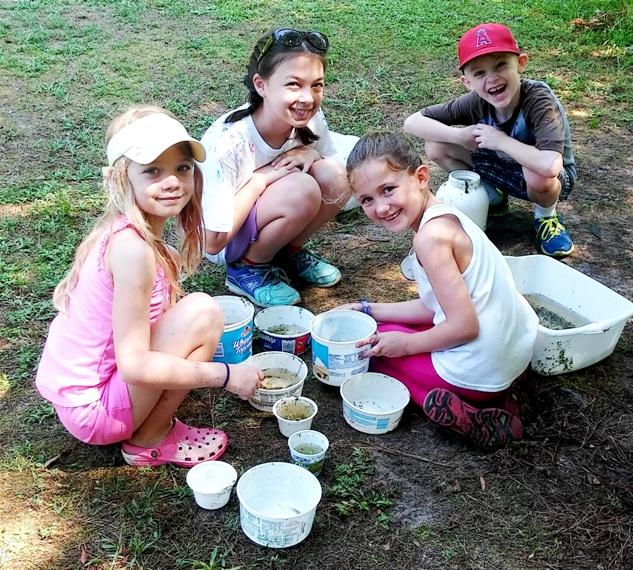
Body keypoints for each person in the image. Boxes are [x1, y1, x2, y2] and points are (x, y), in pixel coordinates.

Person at [35, 106, 263, 468]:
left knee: (195, 312)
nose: (172, 181)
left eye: (182, 168)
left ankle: (144, 417)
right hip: (94, 412)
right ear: (121, 179)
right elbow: (135, 366)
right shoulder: (132, 252)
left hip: (84, 397)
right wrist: (226, 375)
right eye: (153, 171)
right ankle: (149, 440)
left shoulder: (133, 237)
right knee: (203, 313)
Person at [342, 132, 538, 448]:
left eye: (388, 190)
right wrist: (365, 308)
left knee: (368, 349)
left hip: (481, 372)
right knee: (377, 329)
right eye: (367, 199)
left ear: (420, 177)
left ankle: (478, 415)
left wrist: (404, 345)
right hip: (514, 353)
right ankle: (511, 393)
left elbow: (463, 326)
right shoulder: (445, 214)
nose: (380, 207)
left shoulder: (430, 239)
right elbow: (434, 306)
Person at [200, 28, 351, 307]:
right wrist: (261, 179)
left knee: (336, 176)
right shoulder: (229, 142)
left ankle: (287, 253)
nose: (307, 98)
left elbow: (338, 169)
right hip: (225, 239)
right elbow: (211, 241)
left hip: (269, 212)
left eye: (316, 85)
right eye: (294, 84)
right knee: (302, 188)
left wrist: (311, 154)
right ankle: (247, 269)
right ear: (261, 85)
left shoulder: (308, 120)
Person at [404, 22, 576, 258]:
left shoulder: (538, 99)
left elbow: (551, 165)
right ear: (467, 82)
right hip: (504, 166)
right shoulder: (476, 102)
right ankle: (492, 198)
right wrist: (460, 136)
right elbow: (412, 122)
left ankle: (546, 217)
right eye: (479, 73)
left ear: (521, 64)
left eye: (501, 65)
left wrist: (500, 140)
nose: (492, 79)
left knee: (537, 171)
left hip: (550, 179)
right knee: (437, 144)